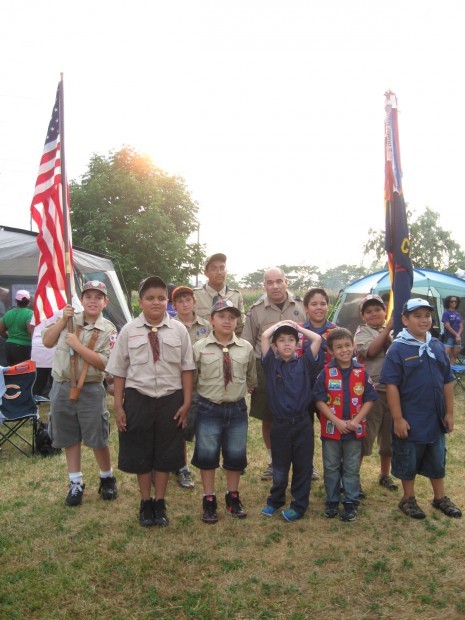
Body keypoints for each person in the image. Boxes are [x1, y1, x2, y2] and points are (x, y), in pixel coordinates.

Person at [106, 276, 195, 527]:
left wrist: (186, 402)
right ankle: (145, 502)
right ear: (140, 302)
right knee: (141, 452)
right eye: (149, 298)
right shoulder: (128, 331)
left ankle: (160, 501)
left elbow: (187, 369)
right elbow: (120, 371)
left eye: (160, 298)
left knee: (166, 454)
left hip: (171, 399)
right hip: (138, 398)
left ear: (167, 302)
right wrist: (119, 406)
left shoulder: (179, 330)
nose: (155, 302)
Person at [380, 298, 462, 520]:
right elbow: (391, 385)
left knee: (437, 458)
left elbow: (447, 380)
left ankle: (439, 497)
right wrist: (397, 418)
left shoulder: (436, 345)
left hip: (434, 418)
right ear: (405, 320)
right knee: (409, 458)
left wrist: (449, 412)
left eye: (427, 315)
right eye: (417, 316)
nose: (423, 320)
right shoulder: (398, 348)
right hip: (411, 418)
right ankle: (408, 498)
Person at [43, 281, 118, 507]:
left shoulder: (109, 329)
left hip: (91, 389)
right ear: (81, 300)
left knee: (97, 436)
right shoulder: (69, 320)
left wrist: (78, 345)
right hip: (62, 385)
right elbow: (47, 341)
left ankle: (107, 477)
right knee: (69, 435)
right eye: (88, 296)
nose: (93, 301)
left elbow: (105, 363)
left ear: (105, 302)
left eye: (98, 297)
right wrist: (62, 321)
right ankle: (75, 482)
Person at [191, 299, 256, 524]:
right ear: (211, 320)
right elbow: (193, 379)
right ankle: (209, 499)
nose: (227, 321)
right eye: (221, 316)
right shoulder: (199, 348)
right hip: (208, 408)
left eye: (231, 317)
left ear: (237, 320)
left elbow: (251, 378)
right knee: (207, 454)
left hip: (236, 408)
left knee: (235, 454)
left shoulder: (246, 348)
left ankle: (232, 496)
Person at [242, 267, 306, 481]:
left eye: (279, 281)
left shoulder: (301, 306)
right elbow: (248, 345)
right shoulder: (256, 310)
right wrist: (250, 376)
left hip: (297, 369)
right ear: (264, 286)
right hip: (266, 368)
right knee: (268, 417)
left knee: (301, 416)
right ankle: (272, 461)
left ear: (286, 282)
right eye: (270, 282)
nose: (275, 286)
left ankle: (305, 461)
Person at [260, 321, 321, 522]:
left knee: (303, 466)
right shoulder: (271, 364)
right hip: (280, 424)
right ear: (275, 346)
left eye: (291, 340)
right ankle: (275, 499)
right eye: (282, 341)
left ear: (297, 344)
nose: (287, 344)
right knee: (280, 465)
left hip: (303, 423)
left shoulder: (304, 363)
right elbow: (264, 337)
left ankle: (299, 505)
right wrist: (280, 324)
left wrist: (297, 327)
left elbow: (317, 338)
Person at [314, 327, 377, 522]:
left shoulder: (361, 372)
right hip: (332, 430)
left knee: (351, 467)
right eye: (338, 347)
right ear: (331, 351)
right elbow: (319, 401)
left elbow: (370, 399)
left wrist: (356, 421)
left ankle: (350, 501)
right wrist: (337, 422)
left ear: (354, 346)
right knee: (331, 466)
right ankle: (332, 500)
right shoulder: (325, 373)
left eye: (347, 345)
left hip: (354, 431)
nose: (344, 350)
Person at [354, 294, 398, 493]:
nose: (374, 314)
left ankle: (384, 475)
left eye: (378, 310)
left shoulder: (395, 331)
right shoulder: (362, 332)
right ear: (363, 315)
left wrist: (390, 330)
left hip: (393, 391)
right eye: (369, 311)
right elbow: (371, 351)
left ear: (385, 312)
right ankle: (353, 477)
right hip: (372, 392)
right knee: (365, 437)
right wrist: (388, 329)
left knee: (388, 438)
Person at [171, 285, 212, 488]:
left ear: (194, 301)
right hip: (177, 385)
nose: (185, 304)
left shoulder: (207, 326)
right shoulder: (169, 326)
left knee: (203, 426)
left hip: (203, 384)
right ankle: (181, 467)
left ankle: (207, 462)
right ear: (174, 305)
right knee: (180, 426)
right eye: (180, 301)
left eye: (188, 299)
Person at [300, 287, 337, 481]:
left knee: (331, 432)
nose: (319, 307)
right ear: (306, 308)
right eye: (314, 304)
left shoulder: (336, 331)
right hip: (304, 389)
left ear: (328, 306)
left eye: (323, 303)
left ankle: (333, 470)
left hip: (331, 391)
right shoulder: (298, 331)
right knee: (305, 432)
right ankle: (308, 467)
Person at [194, 253, 245, 335]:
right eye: (213, 269)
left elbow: (240, 327)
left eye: (222, 268)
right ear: (205, 273)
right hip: (201, 345)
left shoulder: (236, 296)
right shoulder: (195, 296)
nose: (219, 272)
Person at [0, 290, 34, 364]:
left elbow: (1, 331)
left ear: (16, 301)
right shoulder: (30, 314)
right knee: (22, 371)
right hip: (24, 346)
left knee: (11, 370)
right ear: (28, 301)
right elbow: (30, 332)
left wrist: (10, 337)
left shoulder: (8, 313)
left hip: (9, 346)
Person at [441, 295, 463, 365]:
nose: (454, 303)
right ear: (448, 302)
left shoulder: (458, 314)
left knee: (454, 355)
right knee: (445, 355)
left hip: (457, 338)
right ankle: (443, 371)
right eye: (452, 301)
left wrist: (458, 335)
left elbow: (461, 326)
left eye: (455, 301)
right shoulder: (446, 313)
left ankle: (451, 372)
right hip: (449, 337)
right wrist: (457, 335)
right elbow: (447, 326)